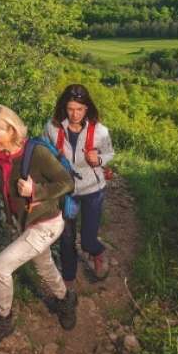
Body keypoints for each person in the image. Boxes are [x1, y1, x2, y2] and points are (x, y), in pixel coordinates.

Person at [0, 104, 78, 349]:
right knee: (44, 266)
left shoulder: (37, 154)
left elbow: (67, 183)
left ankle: (2, 320)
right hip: (26, 223)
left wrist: (36, 190)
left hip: (46, 223)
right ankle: (66, 299)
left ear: (11, 130)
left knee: (0, 268)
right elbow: (9, 186)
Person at [44, 84, 114, 286]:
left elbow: (109, 153)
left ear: (87, 108)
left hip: (93, 189)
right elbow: (43, 151)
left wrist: (98, 159)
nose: (75, 114)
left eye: (80, 109)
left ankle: (97, 251)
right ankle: (68, 280)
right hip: (66, 190)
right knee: (66, 238)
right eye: (70, 109)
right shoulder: (52, 128)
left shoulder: (100, 131)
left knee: (87, 241)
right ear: (63, 107)